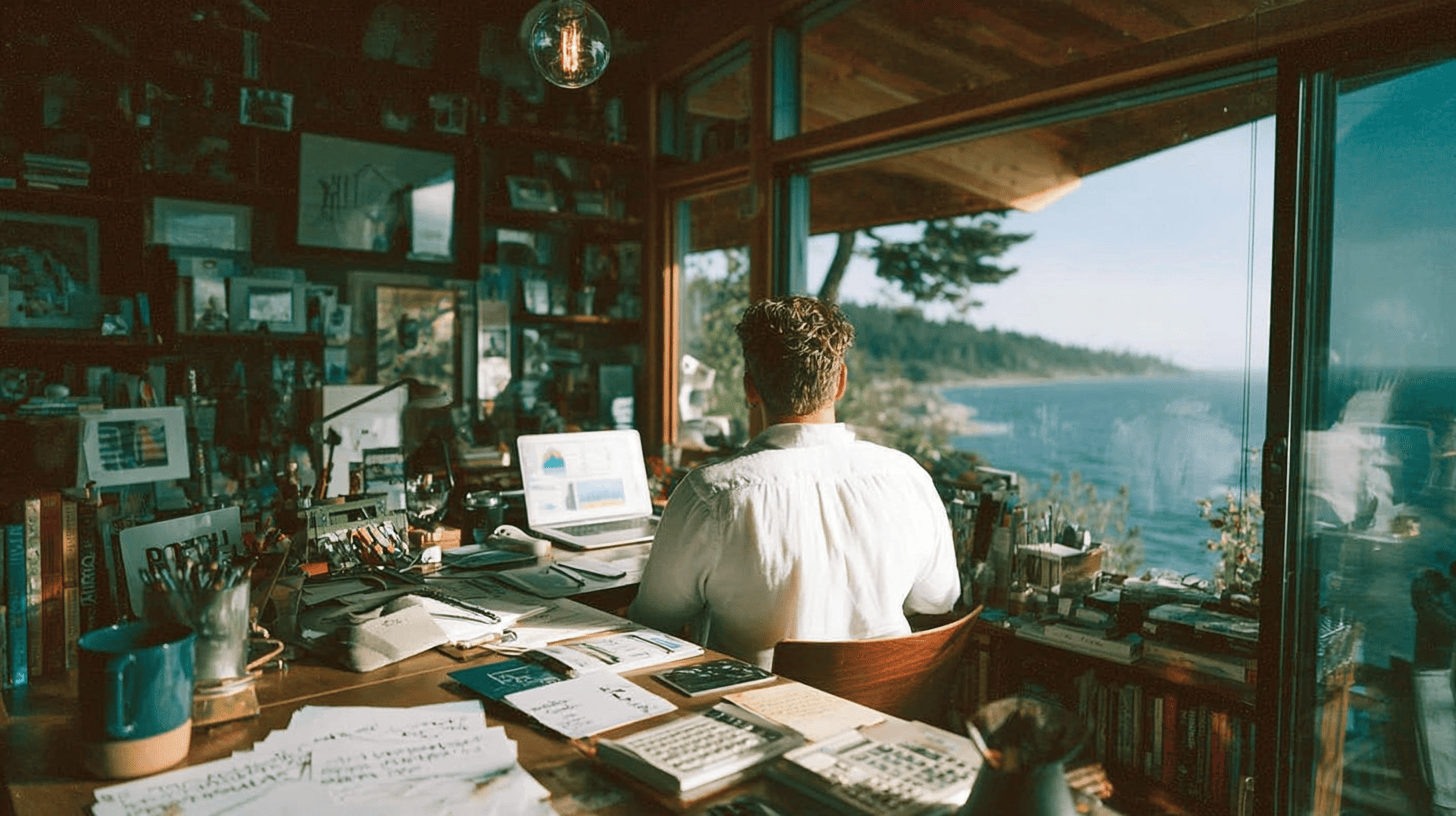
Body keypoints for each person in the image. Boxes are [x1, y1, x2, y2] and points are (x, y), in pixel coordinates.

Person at [628, 295, 961, 668]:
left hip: (754, 715)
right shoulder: (908, 478)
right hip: (880, 717)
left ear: (750, 389)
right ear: (840, 383)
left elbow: (654, 621)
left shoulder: (711, 495)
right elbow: (938, 601)